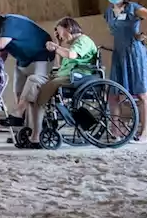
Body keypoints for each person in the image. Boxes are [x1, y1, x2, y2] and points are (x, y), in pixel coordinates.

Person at [23, 17, 99, 149]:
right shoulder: (71, 45)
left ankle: (35, 132)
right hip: (63, 75)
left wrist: (56, 46)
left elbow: (72, 56)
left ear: (68, 28)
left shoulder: (83, 41)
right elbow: (59, 65)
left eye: (59, 32)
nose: (59, 36)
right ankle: (24, 115)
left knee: (39, 95)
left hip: (78, 77)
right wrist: (57, 44)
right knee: (32, 79)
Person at [105, 0, 147, 143]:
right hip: (119, 54)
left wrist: (144, 35)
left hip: (135, 53)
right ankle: (116, 132)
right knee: (114, 94)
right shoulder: (108, 12)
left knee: (142, 93)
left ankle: (144, 134)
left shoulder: (133, 8)